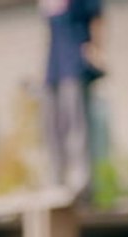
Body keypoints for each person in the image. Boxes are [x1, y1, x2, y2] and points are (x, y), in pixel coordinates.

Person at [41, 0, 104, 193]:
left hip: (75, 61)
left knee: (77, 124)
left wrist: (97, 49)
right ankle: (57, 179)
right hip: (54, 67)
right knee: (54, 126)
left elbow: (96, 19)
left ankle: (81, 181)